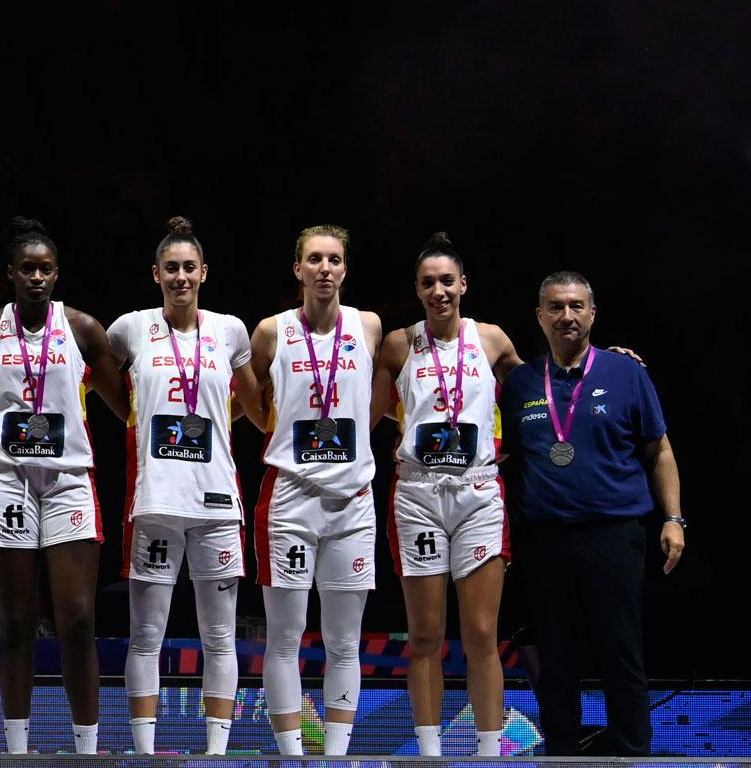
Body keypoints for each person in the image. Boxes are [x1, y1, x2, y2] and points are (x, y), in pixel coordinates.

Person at [0, 217, 127, 755]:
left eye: (46, 268)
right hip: (7, 480)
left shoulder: (85, 329)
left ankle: (87, 750)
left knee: (77, 619)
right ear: (10, 274)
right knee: (18, 622)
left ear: (57, 273)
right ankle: (17, 752)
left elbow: (127, 408)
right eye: (28, 268)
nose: (37, 277)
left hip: (69, 479)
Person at [499, 271, 683, 756]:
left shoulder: (627, 373)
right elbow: (507, 458)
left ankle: (631, 749)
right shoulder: (519, 384)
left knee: (619, 647)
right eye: (556, 307)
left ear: (593, 313)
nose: (567, 316)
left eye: (577, 306)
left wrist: (673, 518)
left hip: (614, 533)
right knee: (554, 652)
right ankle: (561, 749)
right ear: (539, 317)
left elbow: (658, 450)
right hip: (543, 538)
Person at [107, 217, 265, 755]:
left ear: (204, 273)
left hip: (217, 499)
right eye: (170, 268)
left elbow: (255, 406)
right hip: (156, 501)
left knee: (219, 637)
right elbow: (103, 379)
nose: (180, 277)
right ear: (156, 274)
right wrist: (134, 418)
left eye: (188, 268)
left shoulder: (230, 330)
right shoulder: (130, 326)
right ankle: (146, 755)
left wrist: (217, 424)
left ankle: (215, 754)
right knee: (146, 636)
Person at [369, 233, 527, 757]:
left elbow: (539, 393)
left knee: (482, 634)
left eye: (447, 281)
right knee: (425, 636)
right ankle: (431, 753)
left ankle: (487, 751)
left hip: (478, 492)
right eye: (428, 283)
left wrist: (607, 362)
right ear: (417, 290)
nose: (439, 291)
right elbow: (361, 408)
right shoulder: (398, 343)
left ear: (463, 284)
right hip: (417, 496)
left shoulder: (492, 340)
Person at [246, 224, 383, 757]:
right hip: (291, 498)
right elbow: (252, 396)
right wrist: (279, 432)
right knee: (286, 636)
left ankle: (337, 755)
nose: (325, 268)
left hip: (353, 501)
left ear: (345, 269)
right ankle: (291, 755)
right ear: (297, 269)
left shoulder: (368, 326)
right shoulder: (271, 331)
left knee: (344, 641)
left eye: (334, 259)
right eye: (314, 259)